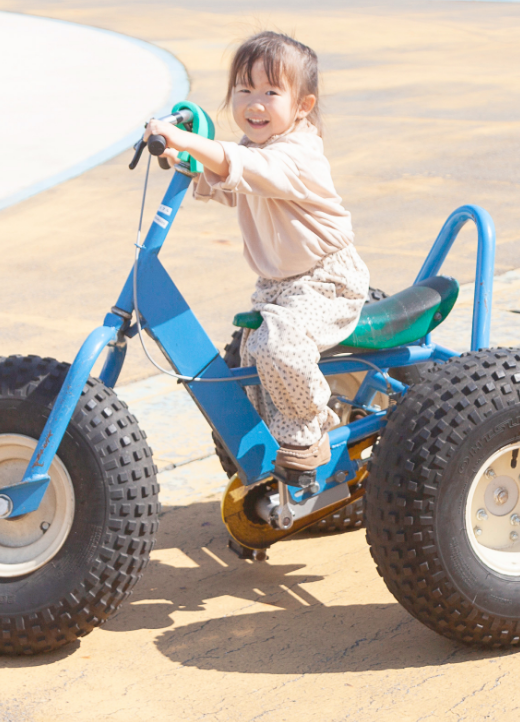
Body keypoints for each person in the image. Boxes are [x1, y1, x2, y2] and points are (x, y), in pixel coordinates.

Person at [143, 31, 369, 472]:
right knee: (252, 364)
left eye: (270, 91)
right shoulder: (253, 149)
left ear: (302, 105)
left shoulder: (298, 154)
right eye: (244, 90)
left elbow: (244, 169)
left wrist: (188, 143)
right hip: (278, 285)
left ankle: (310, 432)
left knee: (279, 346)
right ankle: (270, 453)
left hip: (326, 279)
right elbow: (230, 182)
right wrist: (185, 159)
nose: (254, 103)